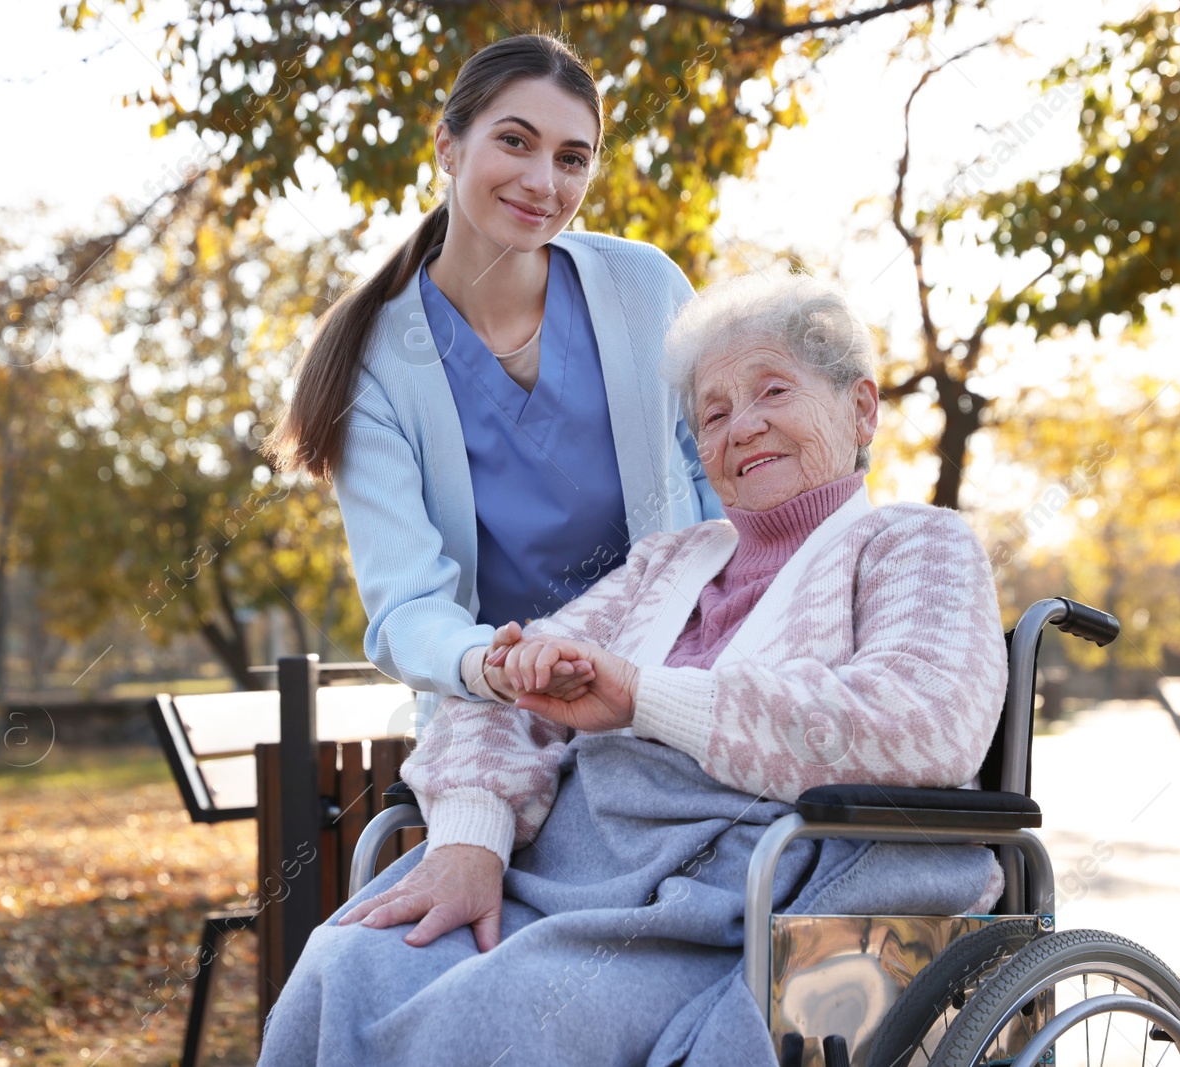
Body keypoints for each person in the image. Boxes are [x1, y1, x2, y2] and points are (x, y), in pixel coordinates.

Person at [256, 272, 1012, 1067]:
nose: (742, 427)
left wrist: (645, 697)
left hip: (724, 902)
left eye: (772, 391)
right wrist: (473, 838)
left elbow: (928, 720)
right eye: (713, 414)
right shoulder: (668, 563)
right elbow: (510, 687)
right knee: (342, 969)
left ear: (860, 409)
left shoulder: (915, 544)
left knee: (489, 1026)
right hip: (562, 876)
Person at [263, 33, 721, 720]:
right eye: (515, 141)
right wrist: (491, 665)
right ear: (447, 147)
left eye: (572, 158)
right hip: (500, 709)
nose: (544, 182)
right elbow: (409, 606)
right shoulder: (374, 364)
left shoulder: (645, 286)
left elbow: (723, 471)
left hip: (672, 677)